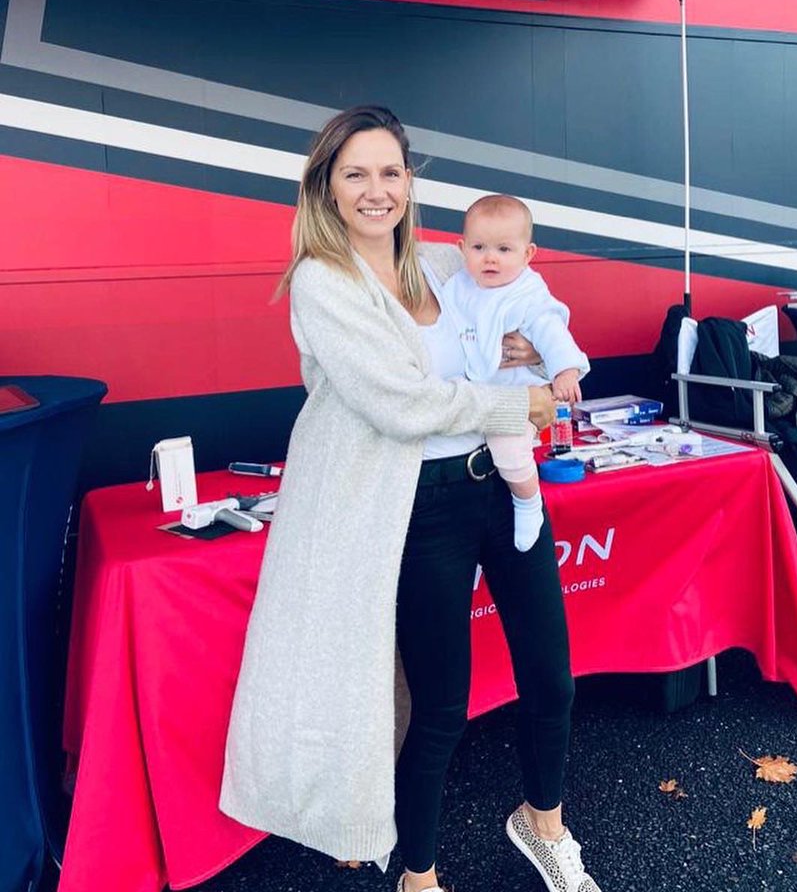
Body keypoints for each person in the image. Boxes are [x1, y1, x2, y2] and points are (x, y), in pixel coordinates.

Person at [220, 105, 601, 892]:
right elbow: (400, 403)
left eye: (390, 171)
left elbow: (521, 294)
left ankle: (545, 826)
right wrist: (517, 404)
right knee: (440, 707)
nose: (376, 190)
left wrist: (534, 345)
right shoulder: (324, 283)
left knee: (552, 679)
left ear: (409, 179)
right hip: (417, 509)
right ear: (325, 187)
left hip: (497, 485)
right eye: (355, 173)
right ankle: (419, 875)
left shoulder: (439, 262)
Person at [442, 193, 589, 551]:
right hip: (475, 394)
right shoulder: (457, 288)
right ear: (462, 249)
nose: (490, 257)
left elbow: (552, 333)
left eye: (504, 250)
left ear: (528, 254)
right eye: (478, 247)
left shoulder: (527, 295)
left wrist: (564, 370)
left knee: (509, 452)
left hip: (518, 398)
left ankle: (527, 501)